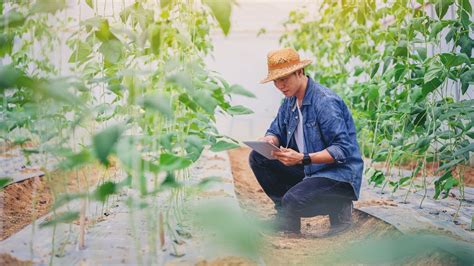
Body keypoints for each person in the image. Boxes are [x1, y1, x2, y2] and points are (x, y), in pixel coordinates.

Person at [249, 47, 364, 236]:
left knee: (294, 200)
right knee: (258, 157)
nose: (280, 85)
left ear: (300, 72)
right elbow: (276, 130)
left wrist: (303, 158)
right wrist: (269, 139)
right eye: (276, 81)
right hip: (309, 170)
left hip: (337, 176)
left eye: (284, 79)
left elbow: (342, 150)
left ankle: (340, 207)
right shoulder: (290, 101)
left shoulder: (324, 102)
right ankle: (287, 219)